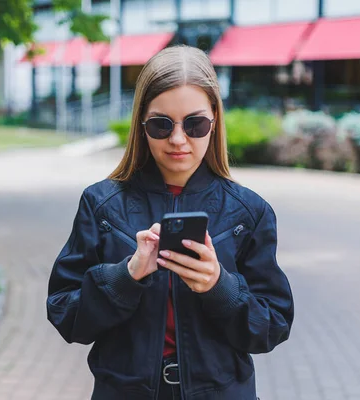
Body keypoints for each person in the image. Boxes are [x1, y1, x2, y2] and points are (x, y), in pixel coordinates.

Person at [46, 45, 294, 400]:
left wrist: (219, 285)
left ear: (214, 121)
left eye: (195, 124)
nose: (178, 139)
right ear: (142, 124)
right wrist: (125, 276)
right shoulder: (101, 205)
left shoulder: (249, 212)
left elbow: (272, 327)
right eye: (162, 125)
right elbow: (65, 315)